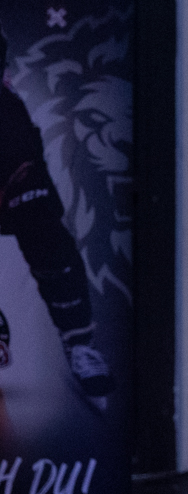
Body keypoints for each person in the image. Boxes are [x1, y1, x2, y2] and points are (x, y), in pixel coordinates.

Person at [0, 31, 113, 398]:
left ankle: (79, 341)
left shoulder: (9, 116)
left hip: (13, 168)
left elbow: (23, 162)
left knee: (45, 233)